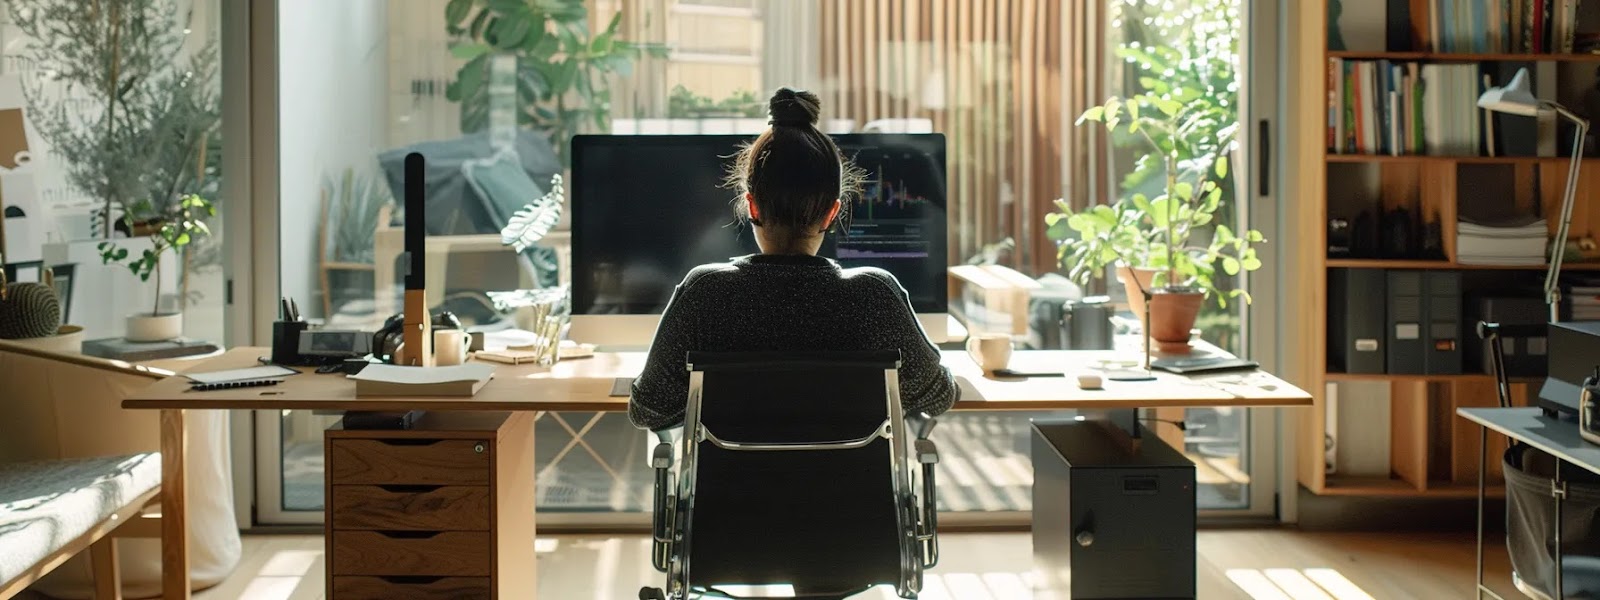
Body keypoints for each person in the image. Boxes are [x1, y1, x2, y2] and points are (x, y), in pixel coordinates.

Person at [628, 86, 959, 432]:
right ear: (832, 213)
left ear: (752, 206)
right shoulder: (875, 296)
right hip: (848, 486)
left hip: (734, 487)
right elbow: (936, 397)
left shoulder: (705, 293)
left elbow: (649, 410)